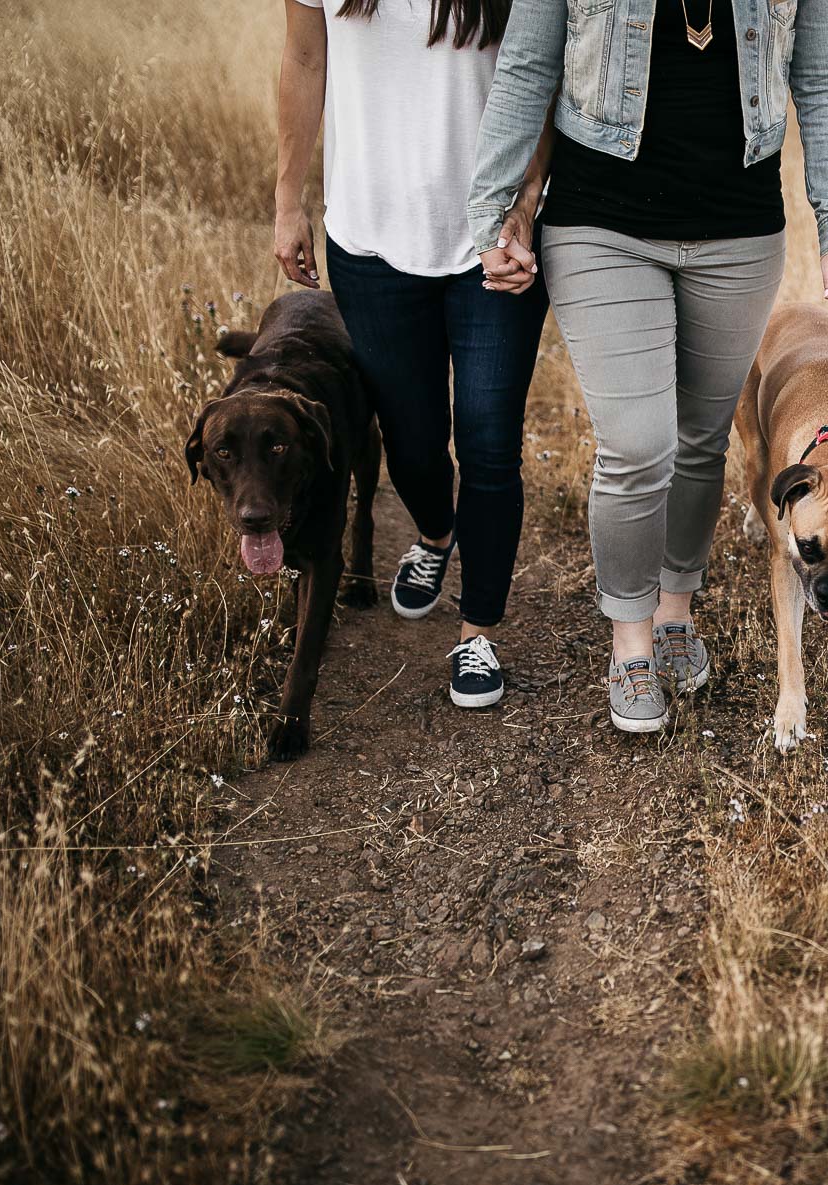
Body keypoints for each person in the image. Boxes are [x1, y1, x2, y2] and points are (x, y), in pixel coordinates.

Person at [468, 0, 828, 733]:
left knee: (700, 438)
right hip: (600, 223)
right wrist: (497, 211)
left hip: (739, 231)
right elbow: (527, 67)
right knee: (635, 443)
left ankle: (675, 611)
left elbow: (823, 81)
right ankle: (630, 642)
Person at [275, 0, 553, 709]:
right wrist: (287, 198)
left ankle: (478, 631)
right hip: (369, 242)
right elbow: (306, 59)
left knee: (489, 444)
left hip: (491, 242)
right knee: (413, 442)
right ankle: (435, 532)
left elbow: (547, 73)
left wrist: (524, 204)